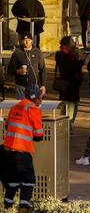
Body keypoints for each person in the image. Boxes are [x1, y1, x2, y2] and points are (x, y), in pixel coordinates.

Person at [2, 84, 43, 212]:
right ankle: (23, 208)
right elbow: (38, 135)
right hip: (22, 152)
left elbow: (8, 127)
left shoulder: (15, 107)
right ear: (35, 98)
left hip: (7, 152)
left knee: (13, 181)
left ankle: (7, 207)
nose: (41, 100)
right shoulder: (33, 109)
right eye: (40, 97)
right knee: (28, 180)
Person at [54, 36, 85, 134]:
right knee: (69, 105)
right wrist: (81, 62)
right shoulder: (63, 56)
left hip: (72, 85)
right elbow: (70, 69)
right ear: (66, 45)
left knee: (72, 105)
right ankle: (67, 125)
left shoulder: (71, 55)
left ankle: (67, 125)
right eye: (72, 41)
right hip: (68, 85)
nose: (74, 43)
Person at [7, 33, 46, 100]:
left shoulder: (37, 52)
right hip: (20, 87)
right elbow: (9, 70)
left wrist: (43, 85)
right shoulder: (17, 53)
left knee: (33, 107)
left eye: (28, 40)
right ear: (22, 41)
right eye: (25, 40)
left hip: (34, 87)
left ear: (32, 41)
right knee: (22, 108)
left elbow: (42, 69)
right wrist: (18, 71)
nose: (27, 42)